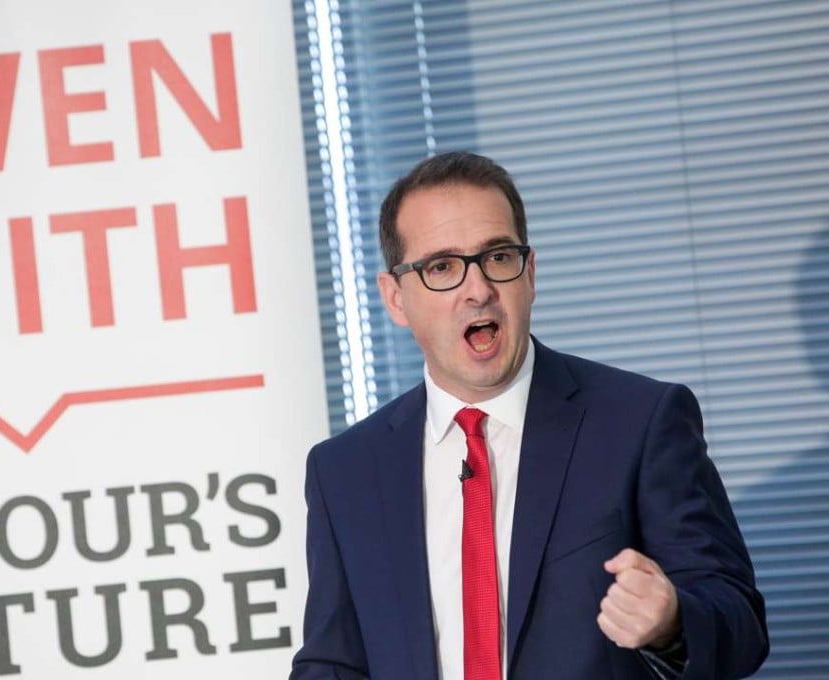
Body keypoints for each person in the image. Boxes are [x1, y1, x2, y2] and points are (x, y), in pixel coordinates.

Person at [289, 152, 768, 679]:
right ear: (396, 298)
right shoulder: (346, 471)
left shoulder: (639, 422)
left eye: (497, 257)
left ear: (530, 274)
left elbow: (739, 622)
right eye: (442, 267)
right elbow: (333, 660)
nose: (478, 289)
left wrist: (673, 622)